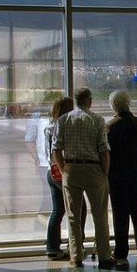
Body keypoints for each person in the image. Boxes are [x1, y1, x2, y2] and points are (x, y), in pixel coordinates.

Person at [52, 87, 112, 268]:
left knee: (73, 216)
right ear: (90, 101)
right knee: (100, 216)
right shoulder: (97, 120)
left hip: (71, 168)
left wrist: (64, 169)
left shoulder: (63, 120)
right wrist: (104, 173)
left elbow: (56, 148)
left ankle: (76, 256)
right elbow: (104, 150)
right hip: (93, 169)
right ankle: (104, 256)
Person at [106, 90, 137, 265]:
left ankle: (121, 251)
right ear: (129, 103)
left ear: (113, 106)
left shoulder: (110, 126)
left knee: (120, 213)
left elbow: (106, 152)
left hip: (117, 175)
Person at [44, 97, 86, 260]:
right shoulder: (64, 127)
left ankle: (52, 247)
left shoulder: (49, 126)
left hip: (52, 172)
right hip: (63, 172)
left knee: (58, 210)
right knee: (80, 207)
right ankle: (76, 245)